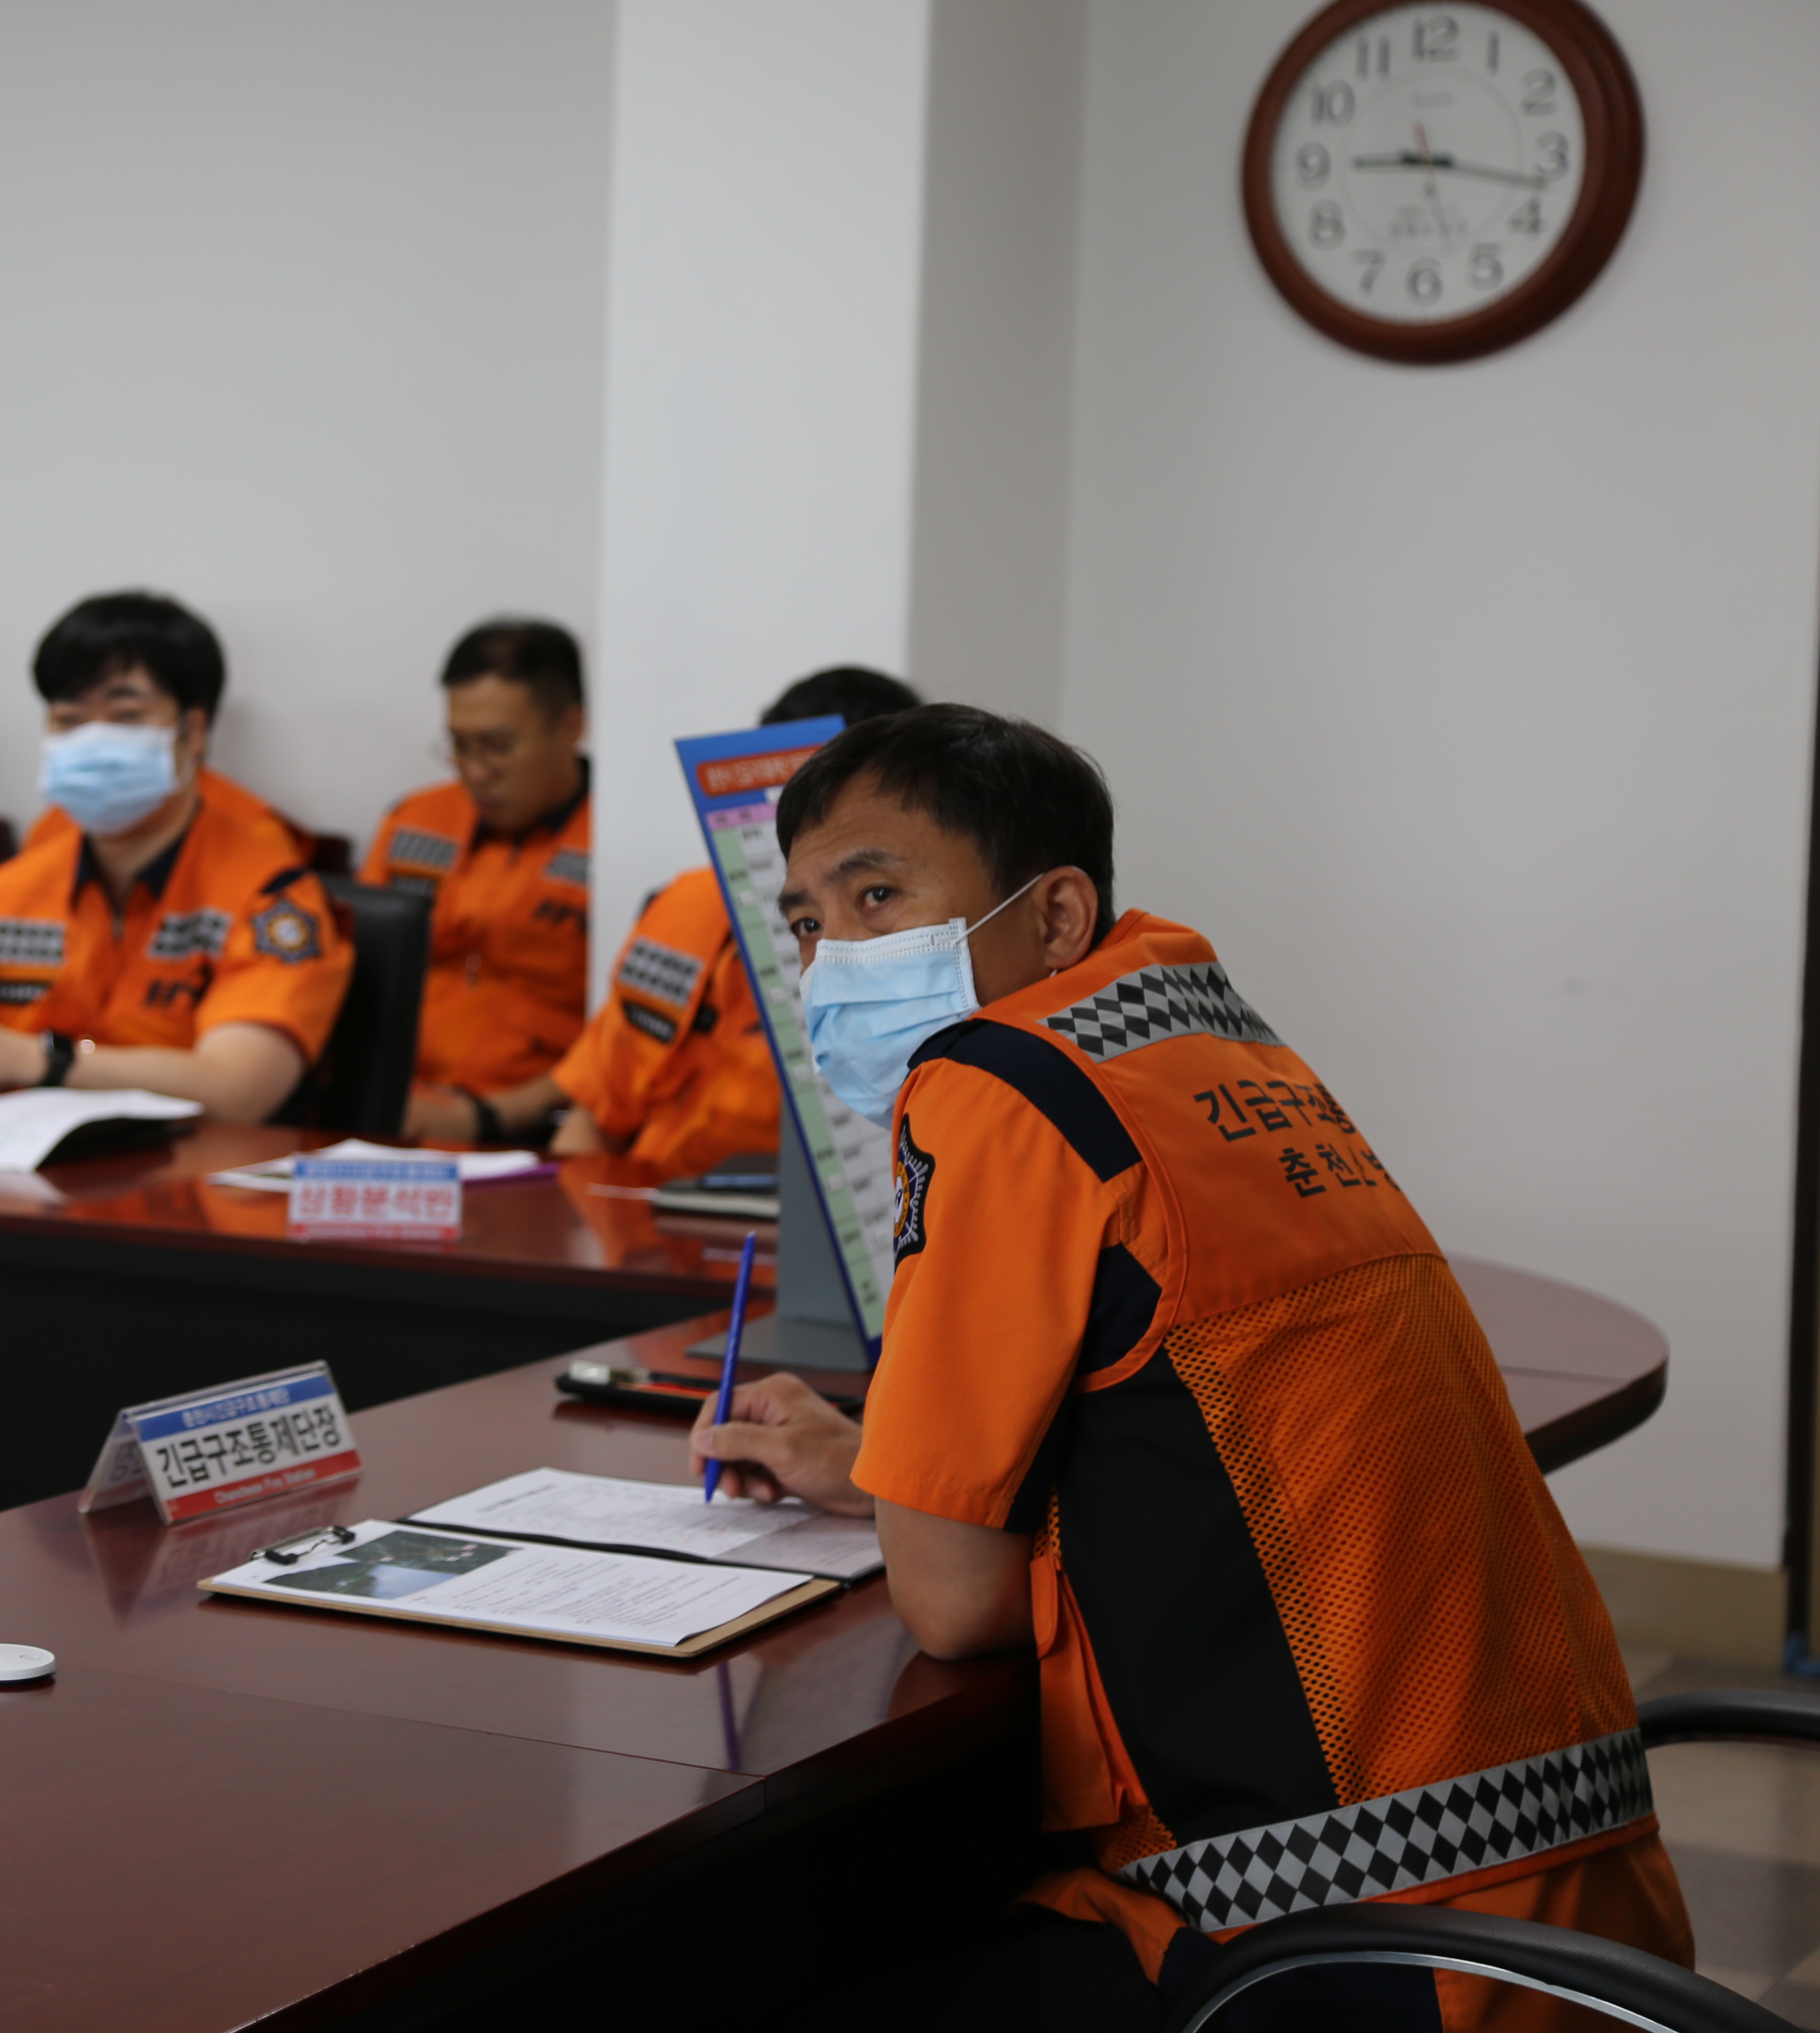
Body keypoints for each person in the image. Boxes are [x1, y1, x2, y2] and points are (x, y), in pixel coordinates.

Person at [692, 705, 1687, 2031]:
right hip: (1581, 1911)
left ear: (1055, 915)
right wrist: (876, 1464)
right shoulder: (1216, 1052)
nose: (833, 961)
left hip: (1355, 1935)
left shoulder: (996, 1084)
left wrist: (920, 1506)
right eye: (807, 923)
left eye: (878, 897)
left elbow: (952, 1603)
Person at [0, 592, 349, 1124]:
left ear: (193, 732)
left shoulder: (270, 897)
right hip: (5, 1163)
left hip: (185, 1170)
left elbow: (236, 1091)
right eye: (69, 721)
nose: (93, 744)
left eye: (126, 718)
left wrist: (41, 1061)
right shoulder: (4, 893)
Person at [551, 666, 919, 1177]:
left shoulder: (911, 952)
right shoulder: (686, 902)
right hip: (642, 1203)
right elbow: (592, 1118)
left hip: (794, 1214)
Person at [358, 618, 591, 1145]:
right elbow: (358, 983)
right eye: (459, 746)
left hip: (531, 1129)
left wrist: (483, 1118)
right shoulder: (414, 823)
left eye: (497, 746)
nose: (475, 771)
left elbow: (622, 1047)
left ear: (571, 727)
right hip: (395, 1114)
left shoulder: (618, 847)